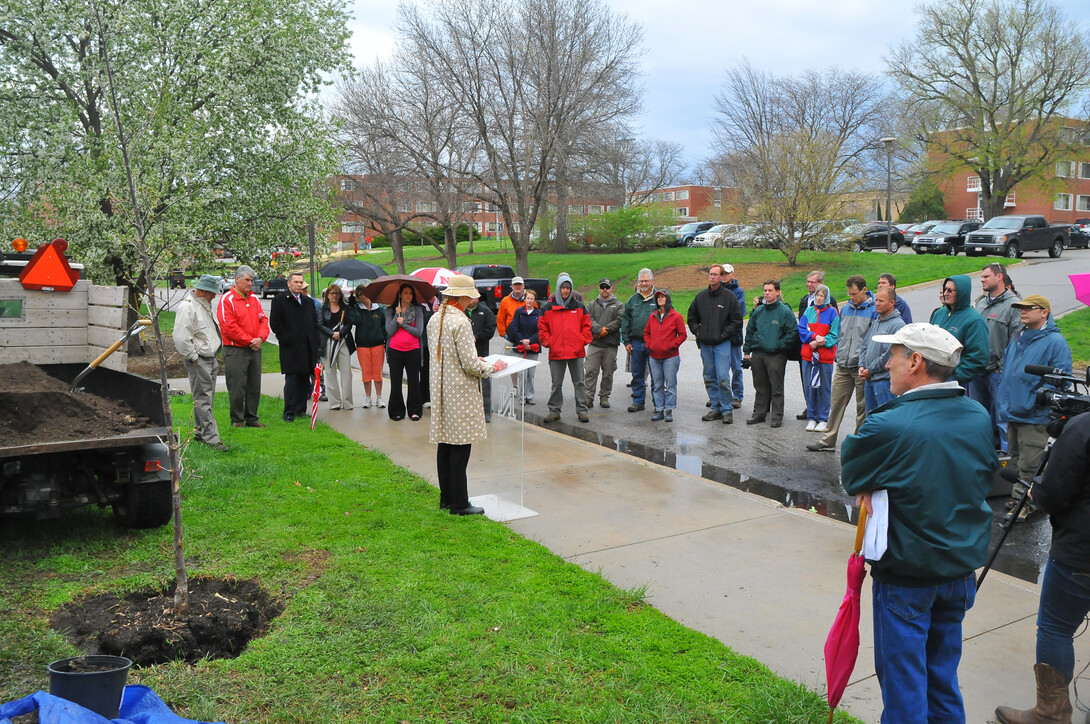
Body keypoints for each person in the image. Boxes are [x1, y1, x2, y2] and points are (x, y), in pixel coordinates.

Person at [841, 323, 997, 724]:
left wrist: (872, 482)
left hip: (907, 576)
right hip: (959, 571)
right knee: (942, 680)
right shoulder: (977, 415)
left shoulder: (889, 424)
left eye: (893, 355)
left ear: (915, 362)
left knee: (904, 686)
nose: (886, 364)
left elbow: (852, 474)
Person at [994, 409, 1090, 723]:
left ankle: (1051, 714)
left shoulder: (1081, 428)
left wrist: (1039, 491)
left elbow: (1053, 495)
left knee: (1055, 628)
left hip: (1080, 552)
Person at [427, 274, 507, 516]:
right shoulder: (460, 322)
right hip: (460, 391)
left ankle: (446, 498)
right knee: (460, 447)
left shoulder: (435, 319)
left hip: (441, 389)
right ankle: (460, 503)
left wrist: (475, 359)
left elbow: (452, 357)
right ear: (461, 297)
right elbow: (471, 366)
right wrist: (494, 366)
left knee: (446, 445)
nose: (473, 300)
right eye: (470, 296)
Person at [998, 294, 1072, 522]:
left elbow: (1062, 379)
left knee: (1030, 464)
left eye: (1030, 308)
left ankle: (1024, 504)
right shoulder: (1018, 337)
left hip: (1034, 416)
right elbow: (1008, 371)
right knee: (1018, 460)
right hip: (1013, 411)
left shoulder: (1055, 343)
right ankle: (1025, 497)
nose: (1023, 311)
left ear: (1044, 313)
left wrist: (1034, 400)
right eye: (1021, 308)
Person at [807, 275, 876, 452]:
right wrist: (839, 354)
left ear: (864, 290)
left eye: (854, 294)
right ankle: (828, 440)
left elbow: (872, 340)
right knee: (836, 403)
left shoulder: (873, 311)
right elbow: (839, 334)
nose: (851, 297)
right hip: (843, 365)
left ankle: (858, 444)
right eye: (849, 294)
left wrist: (865, 362)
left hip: (860, 367)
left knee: (862, 408)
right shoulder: (845, 309)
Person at [173, 274, 227, 451]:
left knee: (206, 397)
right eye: (212, 292)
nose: (214, 296)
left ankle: (199, 432)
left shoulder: (203, 305)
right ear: (202, 291)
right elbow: (181, 337)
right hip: (199, 359)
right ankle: (212, 439)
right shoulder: (188, 306)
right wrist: (193, 357)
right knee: (203, 398)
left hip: (209, 357)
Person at [973, 263, 1022, 452]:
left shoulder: (1013, 305)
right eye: (982, 277)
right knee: (980, 418)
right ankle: (983, 455)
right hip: (978, 371)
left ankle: (1005, 463)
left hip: (998, 373)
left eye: (986, 276)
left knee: (1003, 420)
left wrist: (1002, 367)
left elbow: (1016, 340)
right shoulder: (982, 303)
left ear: (999, 277)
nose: (982, 280)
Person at [687, 264, 744, 424]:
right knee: (709, 376)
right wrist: (698, 332)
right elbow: (691, 317)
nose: (712, 277)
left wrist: (724, 334)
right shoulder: (701, 297)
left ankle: (727, 410)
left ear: (721, 277)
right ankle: (716, 408)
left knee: (723, 377)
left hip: (722, 343)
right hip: (705, 343)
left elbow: (737, 320)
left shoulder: (729, 297)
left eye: (715, 274)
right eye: (710, 274)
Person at [216, 265, 269, 428]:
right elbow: (228, 327)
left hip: (255, 348)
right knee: (237, 385)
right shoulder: (227, 300)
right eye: (247, 280)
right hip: (236, 349)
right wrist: (249, 340)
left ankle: (252, 417)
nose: (250, 283)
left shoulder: (254, 299)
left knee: (254, 384)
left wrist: (260, 338)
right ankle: (237, 419)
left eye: (251, 280)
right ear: (237, 279)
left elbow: (264, 320)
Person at [538, 272, 593, 424]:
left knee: (580, 383)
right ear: (558, 289)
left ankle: (582, 411)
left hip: (576, 353)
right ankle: (554, 411)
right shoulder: (548, 308)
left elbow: (587, 327)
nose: (566, 291)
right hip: (556, 353)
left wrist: (581, 341)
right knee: (556, 384)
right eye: (563, 288)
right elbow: (542, 329)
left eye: (568, 288)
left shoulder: (580, 307)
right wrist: (550, 343)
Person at [743, 280, 797, 428]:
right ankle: (759, 413)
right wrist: (747, 351)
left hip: (776, 355)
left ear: (777, 292)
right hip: (758, 354)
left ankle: (777, 416)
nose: (767, 293)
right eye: (765, 290)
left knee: (776, 387)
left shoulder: (784, 311)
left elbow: (792, 332)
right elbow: (750, 331)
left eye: (770, 290)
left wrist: (779, 345)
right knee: (760, 386)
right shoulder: (758, 311)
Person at [269, 271, 320, 423]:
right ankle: (289, 411)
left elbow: (314, 324)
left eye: (300, 282)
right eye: (296, 282)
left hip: (307, 348)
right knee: (292, 380)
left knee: (304, 380)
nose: (298, 285)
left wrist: (316, 343)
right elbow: (275, 324)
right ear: (289, 283)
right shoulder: (280, 300)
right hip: (291, 348)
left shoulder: (308, 302)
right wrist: (286, 339)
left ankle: (300, 409)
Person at [929, 274, 990, 386]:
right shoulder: (939, 314)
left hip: (954, 381)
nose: (945, 293)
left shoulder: (974, 320)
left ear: (962, 293)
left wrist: (956, 377)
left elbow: (979, 357)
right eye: (944, 290)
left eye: (950, 290)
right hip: (932, 377)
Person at [796, 270, 839, 421]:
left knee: (824, 388)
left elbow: (834, 335)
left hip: (825, 356)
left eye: (822, 296)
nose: (819, 298)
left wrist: (821, 341)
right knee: (810, 387)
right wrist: (813, 338)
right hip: (809, 354)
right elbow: (802, 330)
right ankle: (811, 416)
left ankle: (823, 418)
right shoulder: (808, 310)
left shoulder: (832, 312)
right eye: (817, 296)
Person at [859, 286, 906, 413]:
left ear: (892, 303)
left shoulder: (897, 325)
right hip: (870, 380)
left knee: (885, 421)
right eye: (876, 300)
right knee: (871, 420)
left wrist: (871, 370)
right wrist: (862, 365)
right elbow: (864, 345)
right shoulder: (877, 321)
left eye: (881, 301)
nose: (877, 304)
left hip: (884, 383)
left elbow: (888, 355)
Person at [643, 289, 686, 422]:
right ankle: (659, 409)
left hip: (670, 357)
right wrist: (649, 345)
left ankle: (669, 409)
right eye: (658, 297)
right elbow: (646, 333)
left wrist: (671, 345)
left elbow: (683, 335)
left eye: (663, 297)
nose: (660, 299)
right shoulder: (653, 316)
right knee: (657, 384)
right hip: (654, 356)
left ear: (668, 299)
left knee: (671, 384)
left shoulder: (676, 316)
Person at [385, 284, 427, 422]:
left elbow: (419, 332)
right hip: (395, 351)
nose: (408, 295)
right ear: (400, 295)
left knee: (414, 382)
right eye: (405, 293)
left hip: (413, 351)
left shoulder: (417, 310)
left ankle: (414, 411)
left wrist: (404, 324)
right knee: (396, 382)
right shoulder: (391, 310)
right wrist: (397, 316)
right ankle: (396, 411)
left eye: (410, 293)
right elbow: (390, 331)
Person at [620, 268, 657, 413]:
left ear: (652, 281)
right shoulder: (632, 300)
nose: (644, 283)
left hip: (654, 343)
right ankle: (638, 401)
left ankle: (658, 403)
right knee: (637, 374)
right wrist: (627, 341)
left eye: (647, 280)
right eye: (641, 281)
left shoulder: (660, 297)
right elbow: (625, 321)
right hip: (636, 343)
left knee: (656, 375)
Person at [584, 278, 623, 409]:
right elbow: (589, 319)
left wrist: (607, 330)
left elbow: (620, 319)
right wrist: (599, 330)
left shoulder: (618, 305)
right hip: (594, 344)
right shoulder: (591, 304)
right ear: (599, 288)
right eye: (602, 287)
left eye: (607, 287)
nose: (605, 289)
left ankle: (604, 397)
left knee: (608, 373)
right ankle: (588, 397)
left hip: (610, 345)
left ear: (611, 288)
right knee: (590, 371)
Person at [349, 283, 387, 409]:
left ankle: (379, 397)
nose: (363, 297)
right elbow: (356, 321)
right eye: (360, 295)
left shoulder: (379, 307)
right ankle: (367, 397)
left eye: (365, 294)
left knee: (377, 372)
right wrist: (353, 306)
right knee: (366, 372)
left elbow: (384, 325)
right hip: (363, 345)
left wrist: (386, 342)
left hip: (378, 344)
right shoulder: (357, 308)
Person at [317, 284, 355, 411]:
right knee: (330, 372)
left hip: (343, 342)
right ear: (327, 295)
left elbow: (349, 324)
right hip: (328, 342)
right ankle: (335, 403)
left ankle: (347, 403)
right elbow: (320, 324)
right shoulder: (323, 308)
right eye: (332, 293)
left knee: (346, 373)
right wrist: (332, 333)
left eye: (337, 293)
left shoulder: (345, 308)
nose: (334, 296)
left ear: (340, 295)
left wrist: (341, 333)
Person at [505, 289, 542, 404]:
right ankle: (522, 396)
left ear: (535, 301)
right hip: (520, 346)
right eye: (528, 298)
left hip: (533, 347)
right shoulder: (519, 312)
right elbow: (514, 328)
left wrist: (530, 341)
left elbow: (540, 330)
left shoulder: (539, 313)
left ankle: (529, 396)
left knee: (531, 373)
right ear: (525, 299)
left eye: (532, 299)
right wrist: (522, 341)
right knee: (522, 373)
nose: (529, 301)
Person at [721, 264, 747, 409]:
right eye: (722, 273)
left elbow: (738, 312)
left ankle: (737, 396)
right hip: (719, 336)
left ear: (732, 274)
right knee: (720, 368)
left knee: (736, 368)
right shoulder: (715, 290)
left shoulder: (739, 291)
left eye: (727, 273)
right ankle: (721, 395)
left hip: (734, 336)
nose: (724, 275)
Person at [467, 295, 496, 422]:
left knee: (484, 384)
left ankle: (486, 413)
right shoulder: (461, 311)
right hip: (466, 354)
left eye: (474, 297)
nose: (471, 300)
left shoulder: (486, 311)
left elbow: (490, 328)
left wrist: (477, 337)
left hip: (482, 352)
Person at [496, 276, 530, 340]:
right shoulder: (505, 301)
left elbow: (537, 317)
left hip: (528, 337)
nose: (518, 286)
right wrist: (504, 334)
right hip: (511, 337)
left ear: (523, 286)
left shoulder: (530, 300)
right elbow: (500, 319)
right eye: (515, 284)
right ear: (512, 286)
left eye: (519, 284)